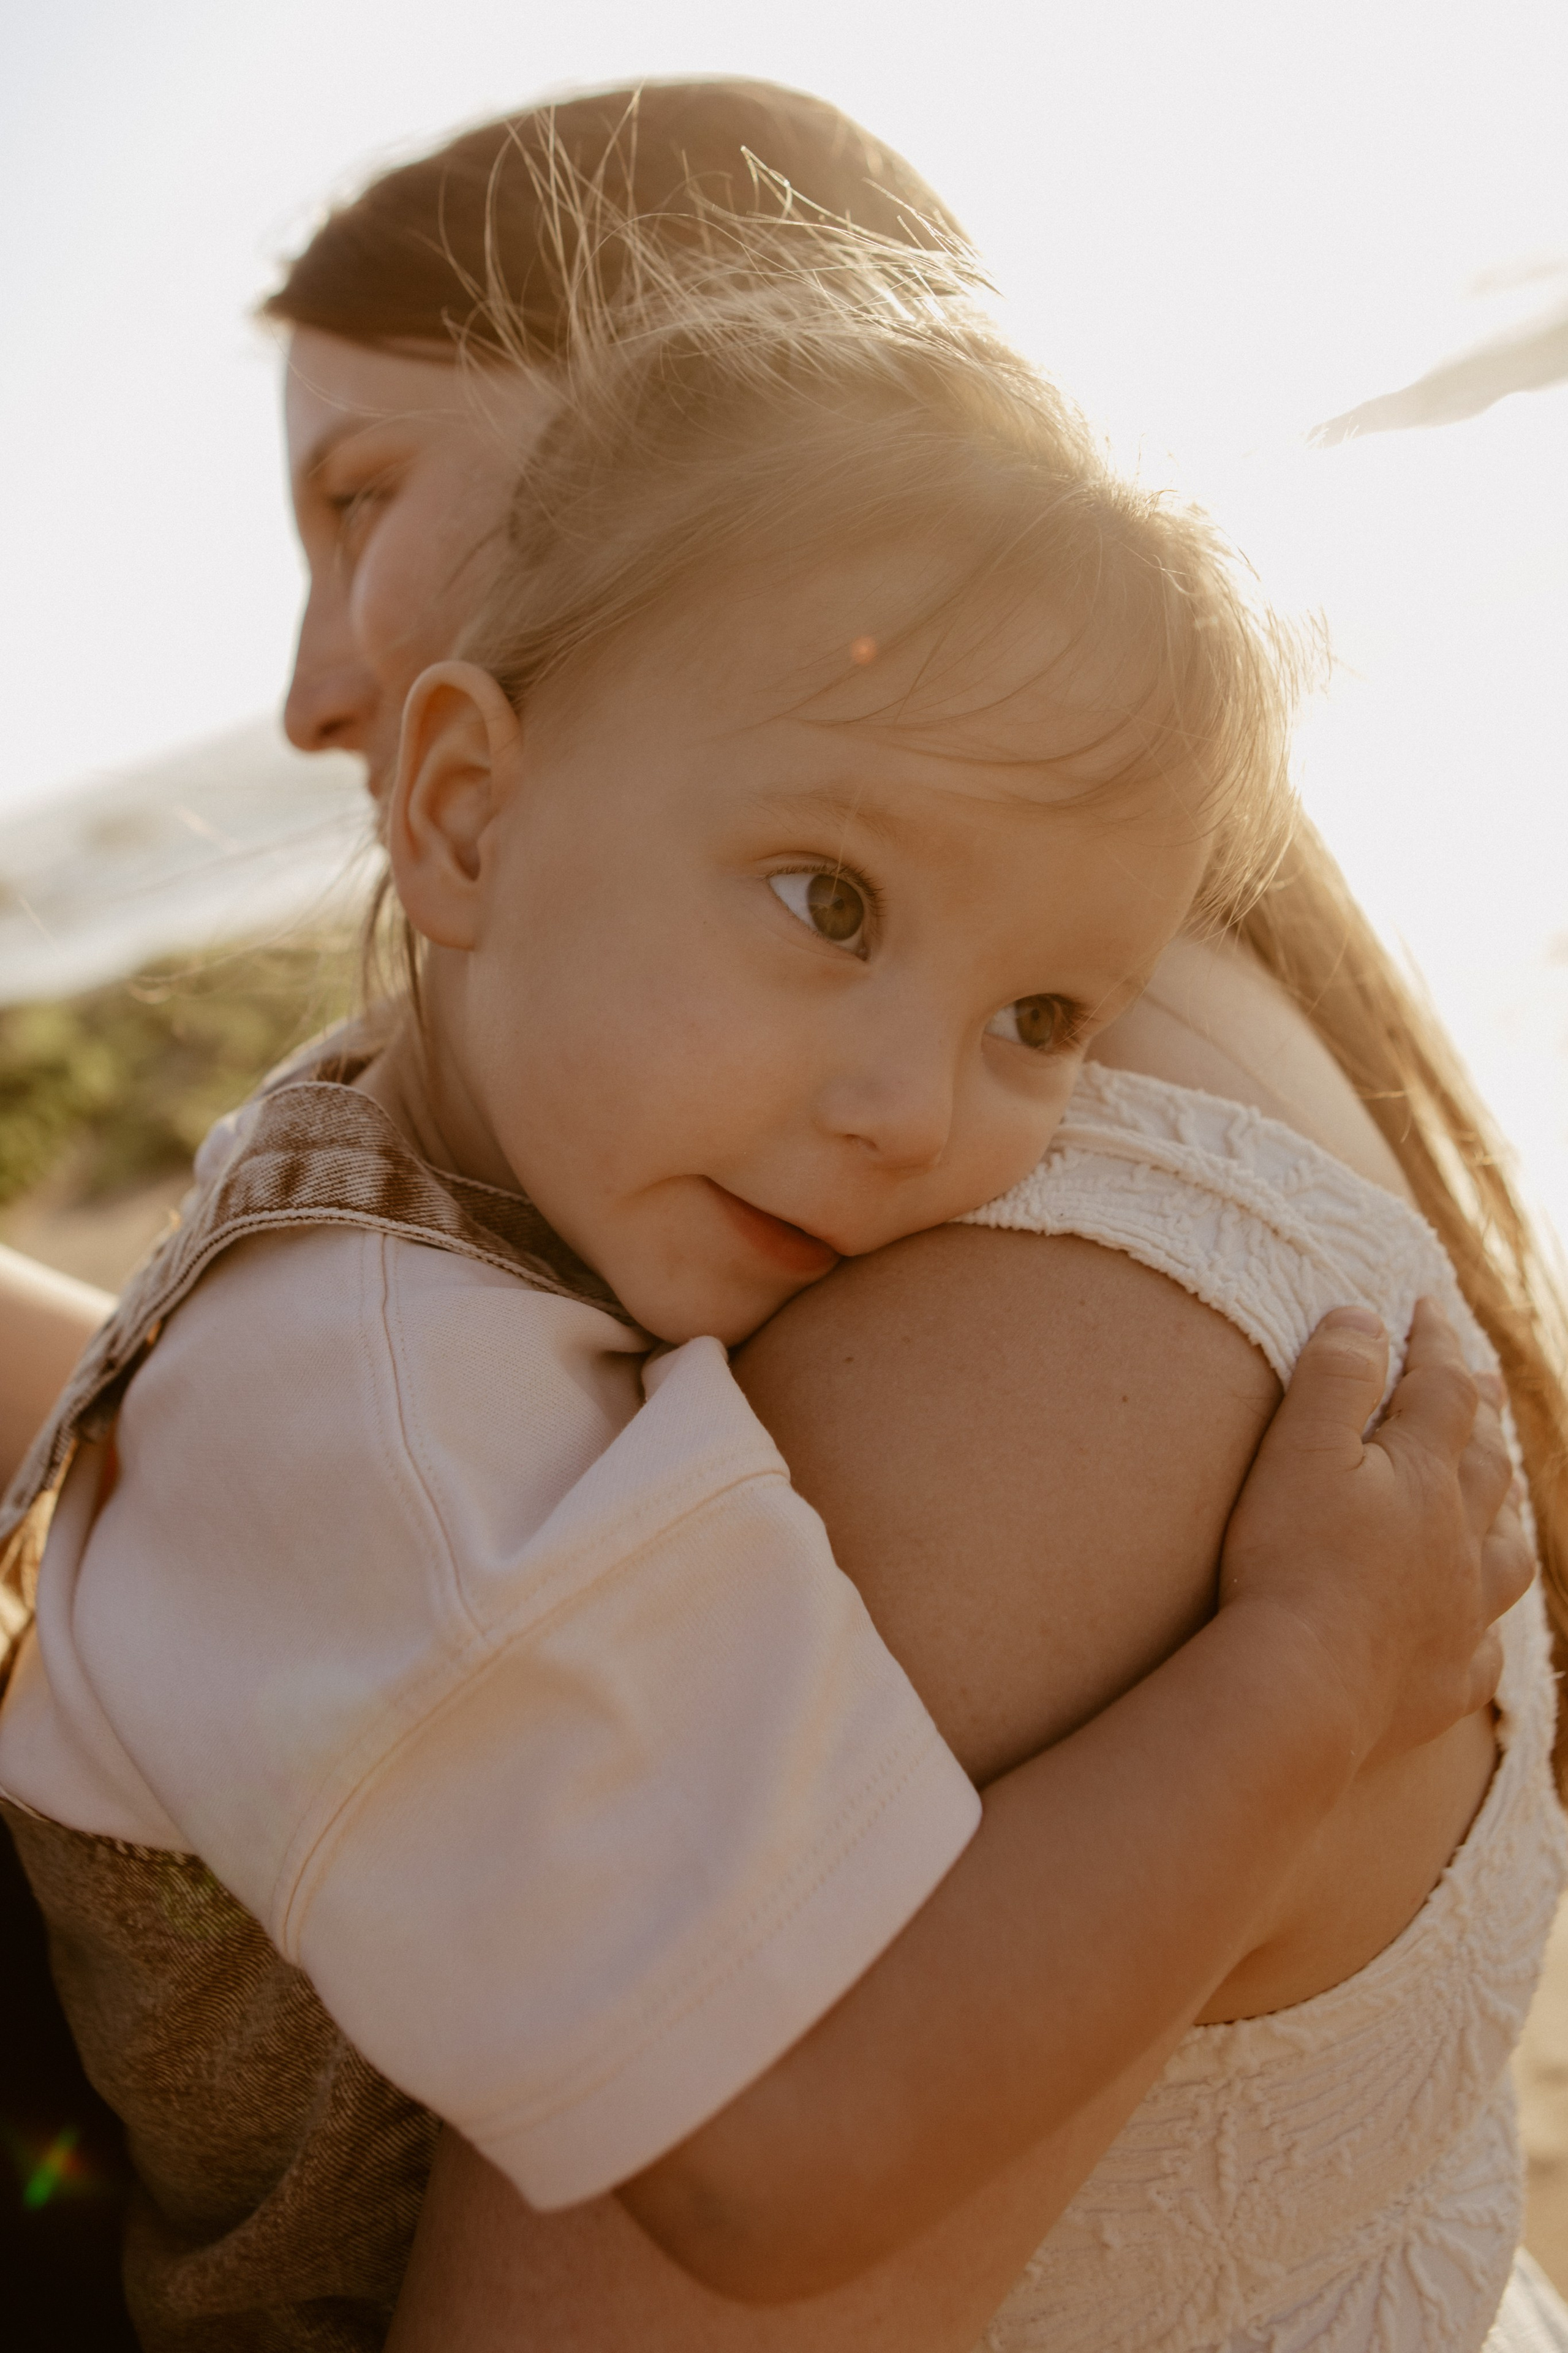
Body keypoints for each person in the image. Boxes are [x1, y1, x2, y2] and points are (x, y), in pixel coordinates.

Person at [0, 80, 1556, 2353]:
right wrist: (1300, 1682)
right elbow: (775, 2143)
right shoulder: (404, 1359)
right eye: (827, 902)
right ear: (469, 808)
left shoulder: (812, 1268)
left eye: (1042, 1014)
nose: (916, 1113)